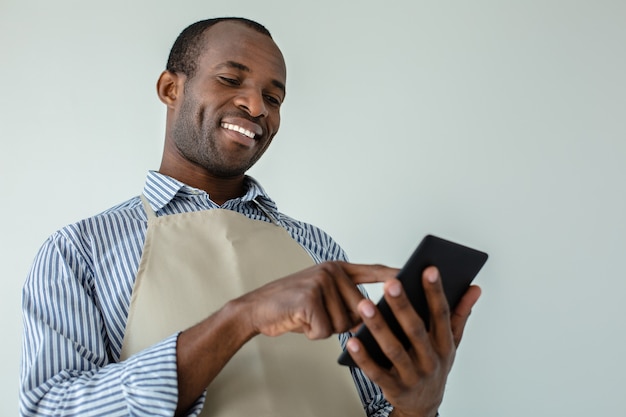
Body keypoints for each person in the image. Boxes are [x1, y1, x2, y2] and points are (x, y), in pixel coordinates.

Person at [20, 17, 481, 417]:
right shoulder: (79, 250)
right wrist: (241, 317)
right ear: (170, 88)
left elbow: (373, 408)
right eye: (230, 79)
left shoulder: (319, 249)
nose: (257, 106)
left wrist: (414, 407)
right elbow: (51, 407)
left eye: (273, 97)